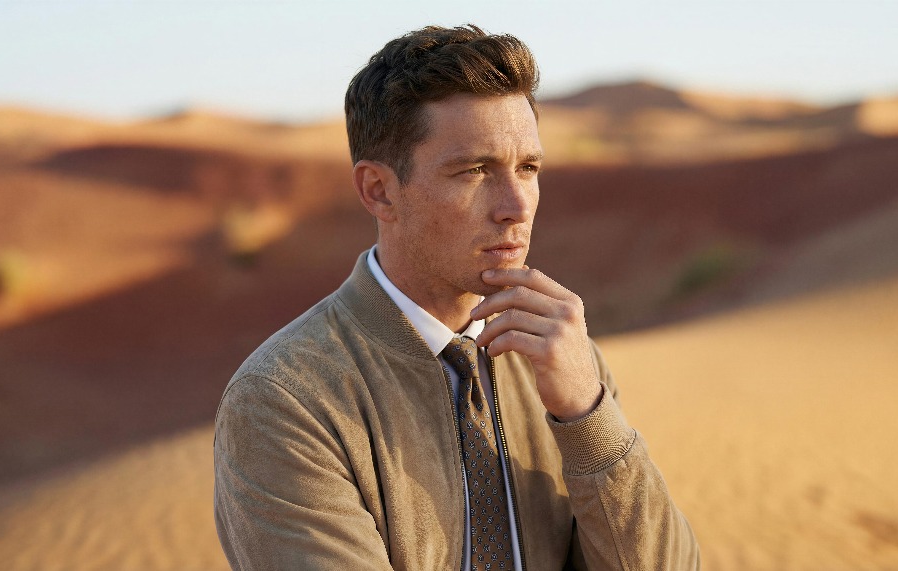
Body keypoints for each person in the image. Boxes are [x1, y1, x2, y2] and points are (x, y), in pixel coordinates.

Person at [213, 24, 699, 570]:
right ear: (379, 190)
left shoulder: (562, 363)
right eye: (474, 170)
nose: (516, 204)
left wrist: (588, 416)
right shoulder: (285, 399)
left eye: (529, 168)